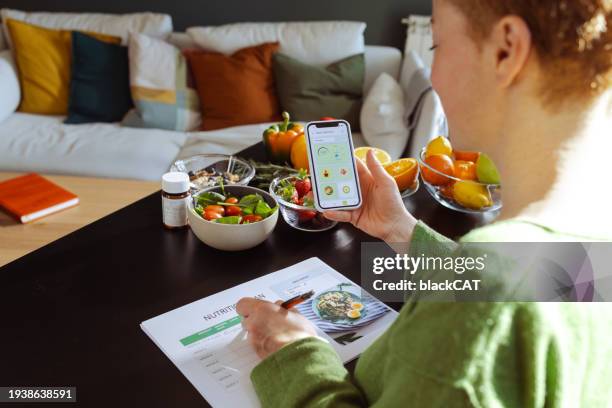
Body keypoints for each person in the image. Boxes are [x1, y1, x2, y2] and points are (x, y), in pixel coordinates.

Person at [237, 0, 612, 406]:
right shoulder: (593, 220)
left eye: (436, 46)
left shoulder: (479, 313)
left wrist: (292, 349)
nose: (433, 74)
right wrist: (401, 230)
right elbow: (547, 281)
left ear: (506, 50)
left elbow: (495, 294)